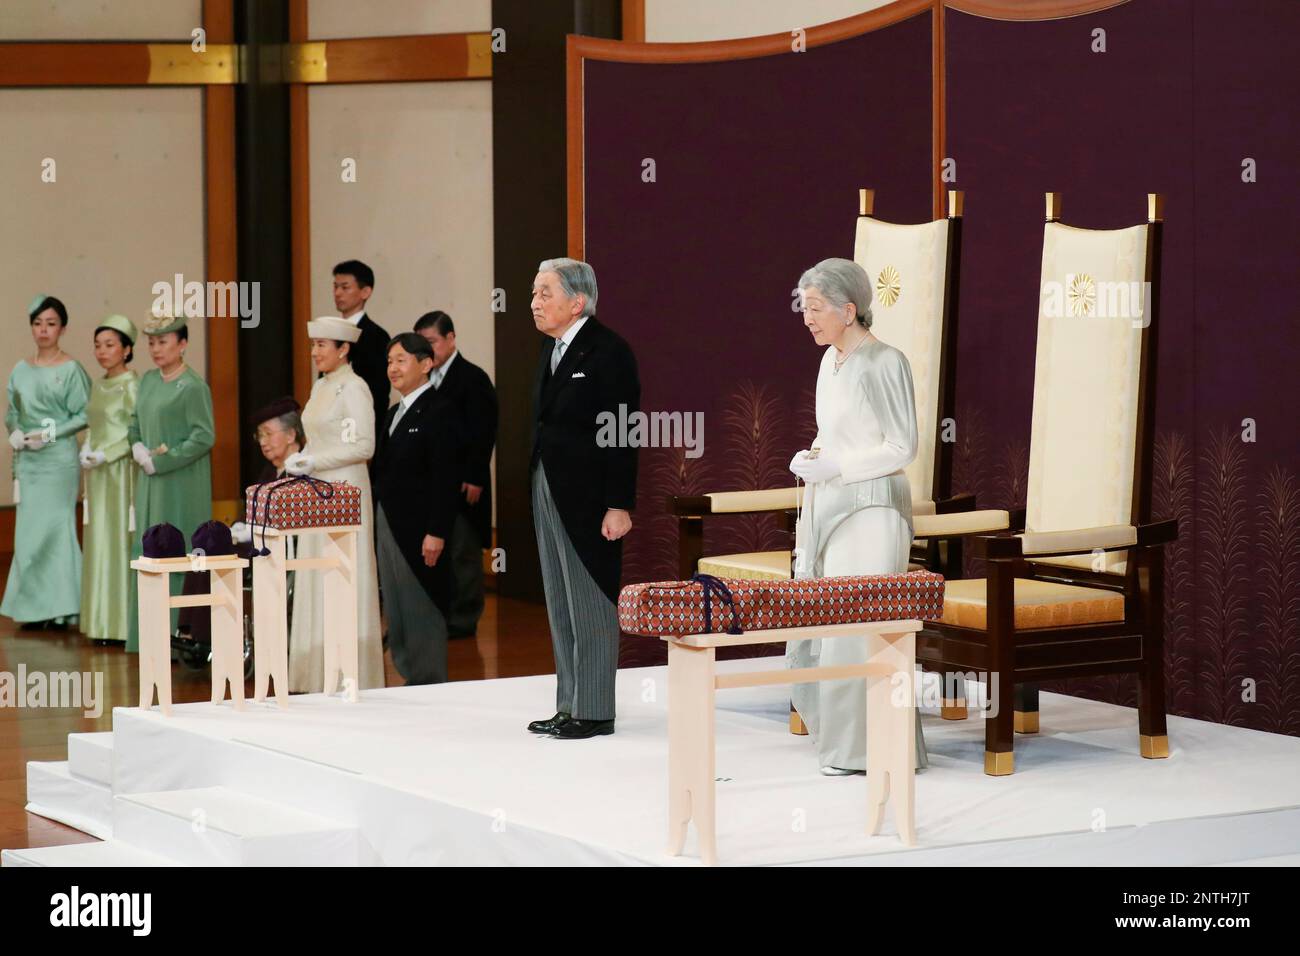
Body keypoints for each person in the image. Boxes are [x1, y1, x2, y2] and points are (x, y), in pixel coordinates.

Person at [786, 258, 928, 775]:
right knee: (829, 622)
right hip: (833, 501)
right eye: (805, 307)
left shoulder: (885, 361)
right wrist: (816, 453)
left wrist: (839, 465)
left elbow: (901, 445)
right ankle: (845, 746)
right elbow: (840, 433)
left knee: (863, 623)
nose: (808, 317)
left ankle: (878, 749)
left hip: (872, 510)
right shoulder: (832, 361)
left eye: (817, 308)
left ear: (849, 310)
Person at [526, 258, 639, 740]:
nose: (534, 303)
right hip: (548, 485)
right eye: (533, 293)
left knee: (591, 601)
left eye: (545, 293)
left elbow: (623, 430)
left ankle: (595, 710)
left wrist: (618, 503)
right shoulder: (553, 351)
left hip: (590, 497)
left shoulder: (608, 351)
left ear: (577, 302)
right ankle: (569, 703)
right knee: (559, 600)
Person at [283, 317, 384, 693]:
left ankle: (349, 673)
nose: (315, 352)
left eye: (323, 345)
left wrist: (315, 461)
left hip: (344, 490)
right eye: (314, 345)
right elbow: (321, 439)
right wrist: (301, 457)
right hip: (317, 491)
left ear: (344, 349)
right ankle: (315, 672)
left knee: (344, 574)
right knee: (316, 572)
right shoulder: (321, 387)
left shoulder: (354, 388)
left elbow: (363, 447)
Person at [371, 333, 465, 685]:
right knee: (395, 604)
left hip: (421, 528)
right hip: (389, 522)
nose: (392, 368)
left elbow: (446, 478)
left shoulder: (441, 410)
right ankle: (409, 676)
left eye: (401, 360)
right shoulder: (395, 412)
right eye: (389, 361)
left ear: (425, 364)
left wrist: (437, 531)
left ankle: (428, 682)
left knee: (420, 603)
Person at [125, 310, 214, 653]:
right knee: (147, 550)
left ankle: (178, 635)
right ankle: (146, 635)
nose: (156, 349)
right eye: (151, 343)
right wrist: (136, 445)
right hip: (149, 482)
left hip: (180, 482)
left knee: (174, 549)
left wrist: (160, 460)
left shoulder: (192, 386)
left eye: (163, 342)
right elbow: (135, 422)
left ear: (183, 344)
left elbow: (204, 436)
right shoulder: (147, 380)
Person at [2, 295, 91, 630]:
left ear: (62, 328)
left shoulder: (71, 370)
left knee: (56, 532)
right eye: (38, 323)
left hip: (57, 463)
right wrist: (14, 431)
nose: (44, 330)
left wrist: (47, 434)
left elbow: (83, 414)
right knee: (28, 534)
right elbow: (13, 411)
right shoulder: (20, 370)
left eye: (51, 324)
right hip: (28, 463)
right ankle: (33, 609)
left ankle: (62, 608)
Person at [415, 311, 498, 639]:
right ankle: (439, 613)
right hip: (436, 483)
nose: (428, 349)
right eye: (422, 344)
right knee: (439, 549)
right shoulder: (425, 379)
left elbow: (484, 430)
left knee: (464, 550)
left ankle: (464, 619)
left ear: (450, 339)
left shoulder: (471, 377)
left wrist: (476, 475)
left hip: (466, 481)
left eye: (432, 342)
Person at [78, 314, 140, 645]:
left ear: (127, 350)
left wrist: (110, 453)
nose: (102, 352)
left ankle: (119, 624)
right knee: (98, 540)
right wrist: (87, 445)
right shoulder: (97, 384)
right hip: (97, 473)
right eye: (98, 346)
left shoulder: (133, 384)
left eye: (110, 345)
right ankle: (99, 621)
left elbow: (136, 431)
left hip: (120, 472)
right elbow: (94, 421)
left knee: (118, 541)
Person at [332, 260, 392, 429]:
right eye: (335, 286)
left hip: (359, 429)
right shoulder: (331, 334)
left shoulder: (376, 337)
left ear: (365, 291)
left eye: (345, 287)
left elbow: (378, 394)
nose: (337, 293)